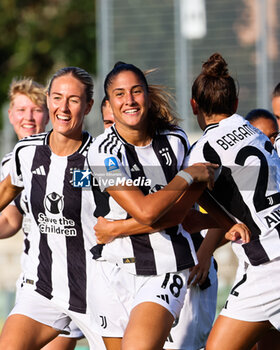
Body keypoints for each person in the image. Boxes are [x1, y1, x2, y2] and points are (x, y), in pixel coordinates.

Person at [87, 62, 249, 350]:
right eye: (120, 94)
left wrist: (228, 223)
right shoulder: (102, 151)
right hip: (110, 269)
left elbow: (191, 202)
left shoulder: (174, 140)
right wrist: (187, 175)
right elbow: (146, 211)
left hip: (166, 268)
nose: (129, 100)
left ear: (147, 96)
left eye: (136, 91)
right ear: (109, 104)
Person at [0, 67, 105, 350]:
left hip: (97, 291)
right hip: (42, 287)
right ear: (49, 100)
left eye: (73, 99)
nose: (64, 106)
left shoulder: (103, 158)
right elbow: (7, 207)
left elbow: (139, 210)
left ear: (88, 105)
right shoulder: (25, 154)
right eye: (57, 97)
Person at [186, 53, 280, 350]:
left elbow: (188, 217)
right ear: (236, 104)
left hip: (268, 266)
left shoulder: (202, 151)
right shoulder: (258, 132)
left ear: (194, 106)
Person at [244, 109, 280, 350]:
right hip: (252, 269)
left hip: (269, 269)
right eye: (261, 136)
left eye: (273, 135)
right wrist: (205, 251)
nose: (269, 143)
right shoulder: (239, 171)